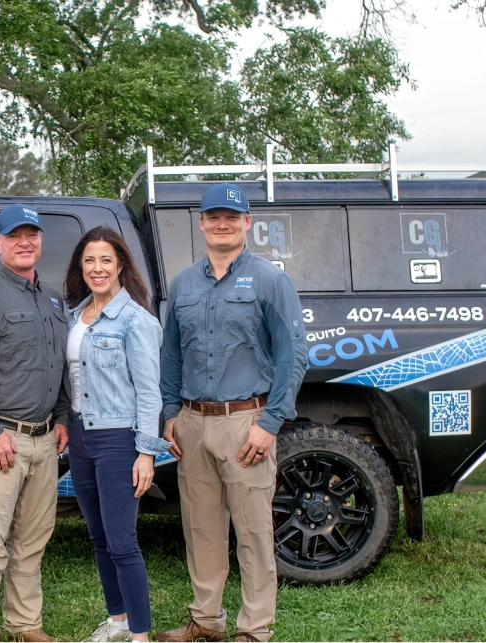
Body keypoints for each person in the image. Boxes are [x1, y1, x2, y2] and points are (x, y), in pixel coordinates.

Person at [154, 184, 308, 643]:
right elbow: (171, 357)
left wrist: (270, 424)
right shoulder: (182, 284)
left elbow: (293, 355)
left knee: (253, 532)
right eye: (213, 216)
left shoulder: (269, 280)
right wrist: (170, 413)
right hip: (193, 422)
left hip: (247, 422)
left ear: (247, 223)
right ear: (201, 224)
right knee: (201, 528)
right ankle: (206, 621)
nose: (222, 223)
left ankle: (254, 629)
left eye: (232, 216)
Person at [0, 204, 71, 643]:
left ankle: (25, 625)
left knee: (32, 540)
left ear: (40, 241)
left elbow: (58, 364)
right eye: (15, 235)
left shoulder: (53, 299)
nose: (25, 242)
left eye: (32, 234)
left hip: (44, 441)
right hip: (2, 439)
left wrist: (61, 418)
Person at [60, 227, 174, 643]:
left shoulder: (136, 321)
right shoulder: (76, 316)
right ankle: (119, 619)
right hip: (80, 435)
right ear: (80, 267)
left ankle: (140, 636)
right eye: (89, 260)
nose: (97, 268)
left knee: (122, 541)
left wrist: (145, 452)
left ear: (121, 264)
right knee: (97, 535)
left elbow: (149, 393)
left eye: (106, 259)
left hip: (118, 440)